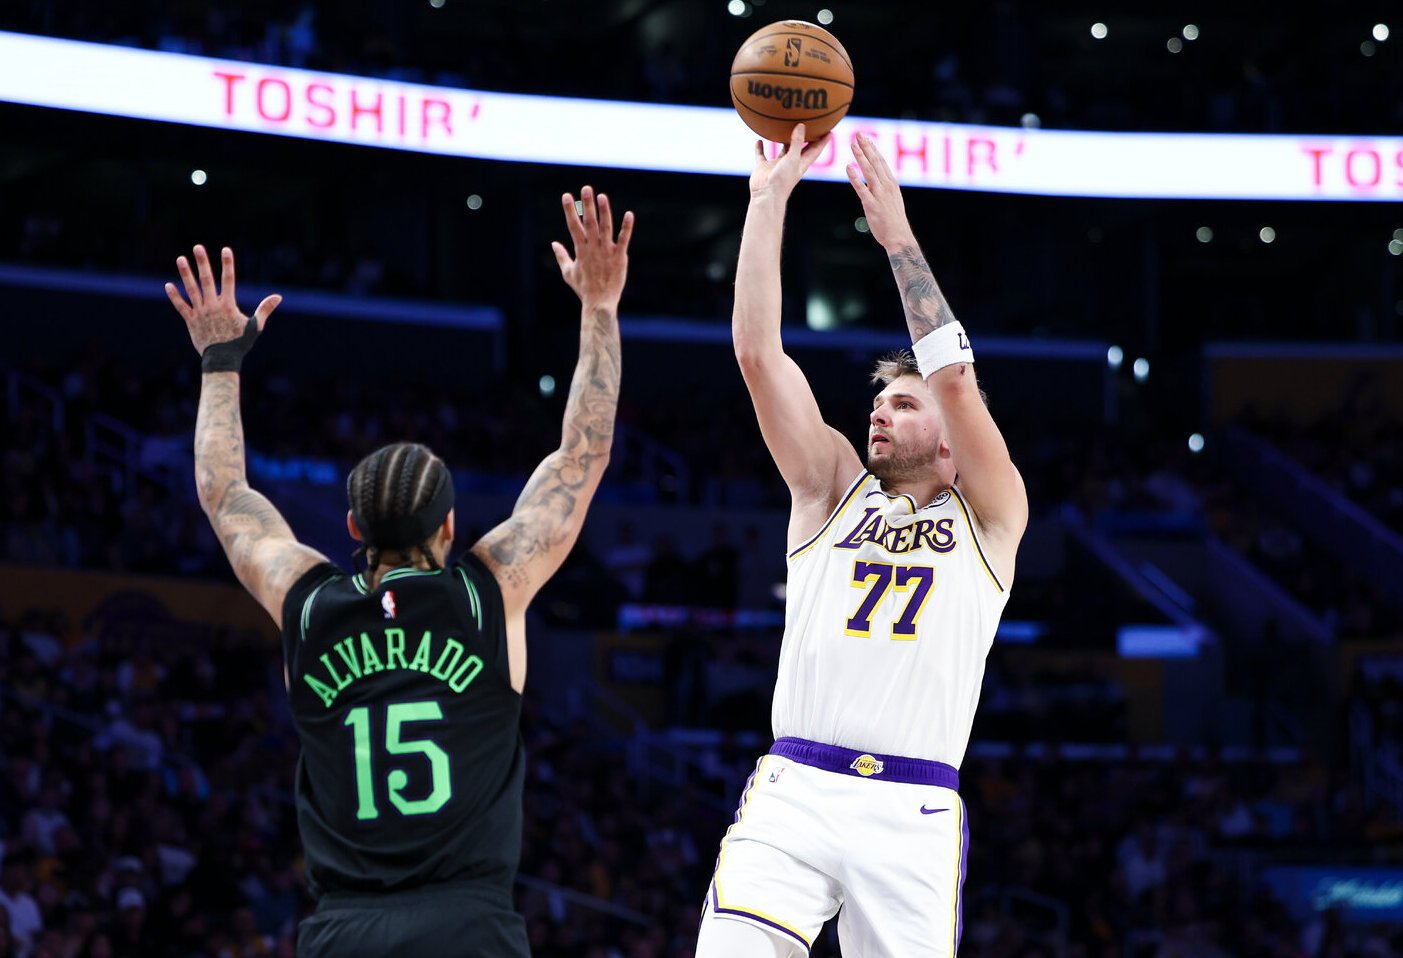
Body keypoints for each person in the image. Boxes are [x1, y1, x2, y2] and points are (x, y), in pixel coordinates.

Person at [163, 185, 633, 957]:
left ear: (351, 529)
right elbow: (583, 453)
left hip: (343, 929)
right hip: (468, 925)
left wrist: (220, 361)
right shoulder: (487, 593)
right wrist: (600, 307)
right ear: (449, 527)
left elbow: (224, 495)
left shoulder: (307, 603)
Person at [695, 125, 1028, 957]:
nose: (879, 411)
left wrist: (896, 239)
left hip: (911, 809)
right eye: (878, 402)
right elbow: (757, 356)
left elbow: (954, 380)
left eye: (903, 404)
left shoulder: (991, 517)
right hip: (795, 788)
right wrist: (766, 203)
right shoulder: (829, 490)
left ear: (950, 439)